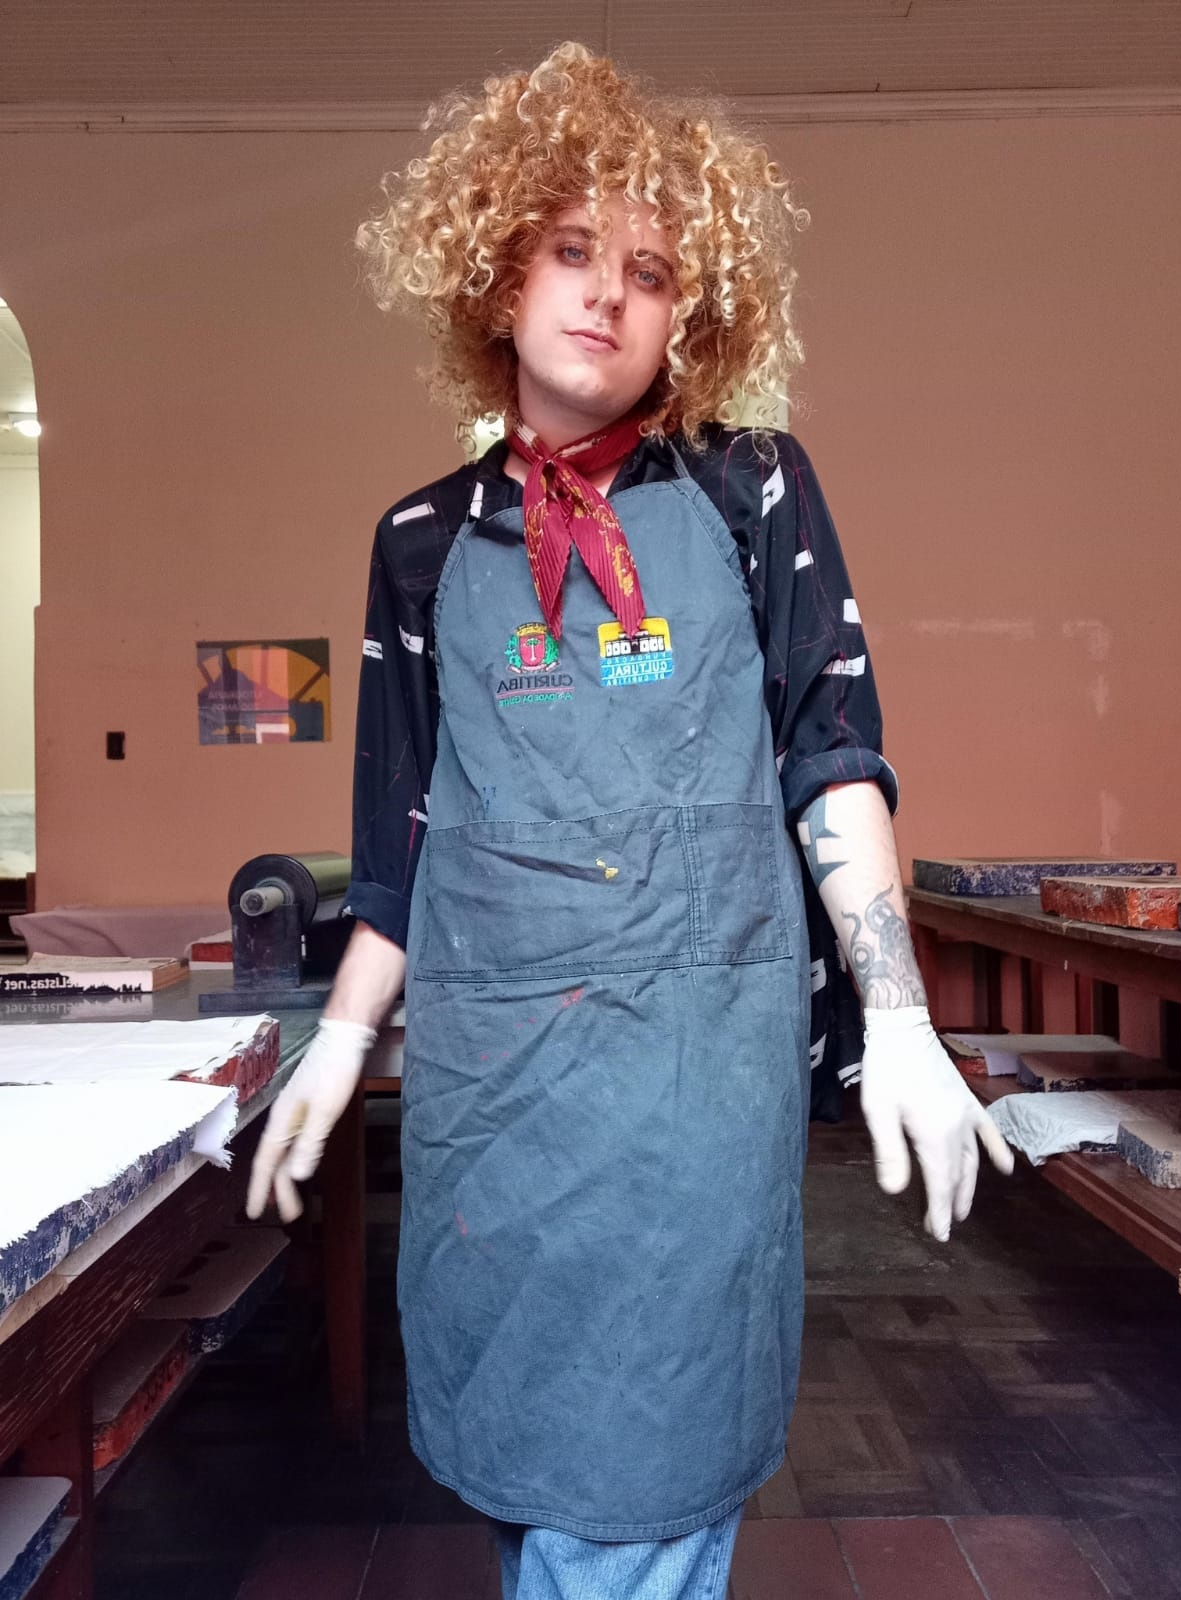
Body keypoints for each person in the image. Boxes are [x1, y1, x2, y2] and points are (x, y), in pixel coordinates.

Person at [247, 41, 1012, 1598]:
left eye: (651, 271)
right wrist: (337, 1042)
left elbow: (831, 756)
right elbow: (403, 837)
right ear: (497, 273)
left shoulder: (753, 490)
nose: (607, 292)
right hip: (493, 1106)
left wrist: (898, 1013)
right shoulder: (420, 542)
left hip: (689, 1096)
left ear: (692, 313)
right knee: (533, 1494)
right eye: (572, 251)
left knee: (635, 1497)